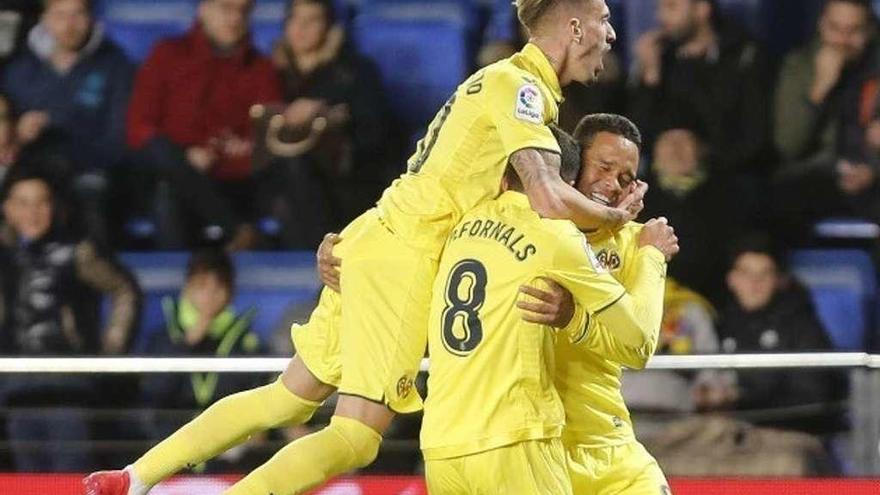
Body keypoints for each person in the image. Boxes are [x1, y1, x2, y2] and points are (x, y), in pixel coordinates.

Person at [85, 1, 635, 493]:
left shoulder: (502, 83)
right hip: (405, 257)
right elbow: (543, 194)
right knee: (356, 436)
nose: (612, 35)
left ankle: (134, 477)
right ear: (574, 25)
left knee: (289, 396)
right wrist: (616, 217)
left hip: (377, 235)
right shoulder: (521, 88)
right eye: (607, 21)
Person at [422, 115, 677, 494]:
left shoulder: (639, 243)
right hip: (538, 445)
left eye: (626, 178)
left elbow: (638, 346)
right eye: (603, 167)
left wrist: (573, 318)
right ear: (568, 165)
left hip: (608, 444)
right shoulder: (533, 230)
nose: (611, 184)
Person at [0, 164, 138, 472]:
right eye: (22, 203)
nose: (32, 212)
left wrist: (111, 347)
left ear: (55, 206)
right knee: (27, 483)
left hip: (67, 384)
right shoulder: (5, 255)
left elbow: (124, 289)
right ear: (7, 209)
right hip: (16, 386)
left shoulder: (77, 252)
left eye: (41, 202)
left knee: (71, 477)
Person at [125, 0, 282, 250]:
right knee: (164, 172)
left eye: (243, 11)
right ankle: (236, 230)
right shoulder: (167, 54)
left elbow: (264, 143)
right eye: (226, 9)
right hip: (166, 170)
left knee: (170, 191)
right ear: (203, 10)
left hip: (231, 181)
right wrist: (185, 157)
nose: (235, 19)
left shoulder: (261, 68)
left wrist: (218, 155)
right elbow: (139, 126)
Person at [262, 0, 393, 248]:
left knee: (296, 170)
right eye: (295, 19)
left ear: (330, 28)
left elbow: (374, 133)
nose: (302, 28)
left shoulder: (356, 72)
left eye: (312, 20)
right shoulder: (266, 70)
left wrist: (326, 115)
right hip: (273, 176)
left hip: (340, 180)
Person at [1, 0, 134, 243]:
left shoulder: (115, 65)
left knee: (90, 194)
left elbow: (118, 140)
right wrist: (18, 134)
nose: (69, 25)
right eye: (60, 15)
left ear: (91, 17)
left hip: (90, 169)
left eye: (77, 15)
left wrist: (59, 127)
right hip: (27, 170)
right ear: (44, 18)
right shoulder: (18, 68)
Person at [705, 233, 847, 434]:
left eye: (765, 274)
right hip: (724, 432)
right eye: (746, 273)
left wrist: (740, 401)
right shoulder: (717, 322)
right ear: (731, 279)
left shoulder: (801, 324)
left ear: (778, 280)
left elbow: (811, 398)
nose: (754, 283)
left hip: (788, 434)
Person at [628, 0, 773, 174]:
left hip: (727, 177)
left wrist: (702, 153)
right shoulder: (660, 59)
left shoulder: (744, 57)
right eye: (659, 8)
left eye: (671, 6)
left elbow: (752, 138)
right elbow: (636, 138)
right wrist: (651, 77)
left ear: (702, 10)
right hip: (663, 180)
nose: (660, 16)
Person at [139, 250, 262, 450]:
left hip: (227, 456)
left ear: (230, 293)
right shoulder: (163, 338)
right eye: (201, 286)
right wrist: (189, 341)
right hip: (168, 452)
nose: (209, 296)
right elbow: (155, 391)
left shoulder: (247, 342)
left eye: (218, 287)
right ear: (187, 288)